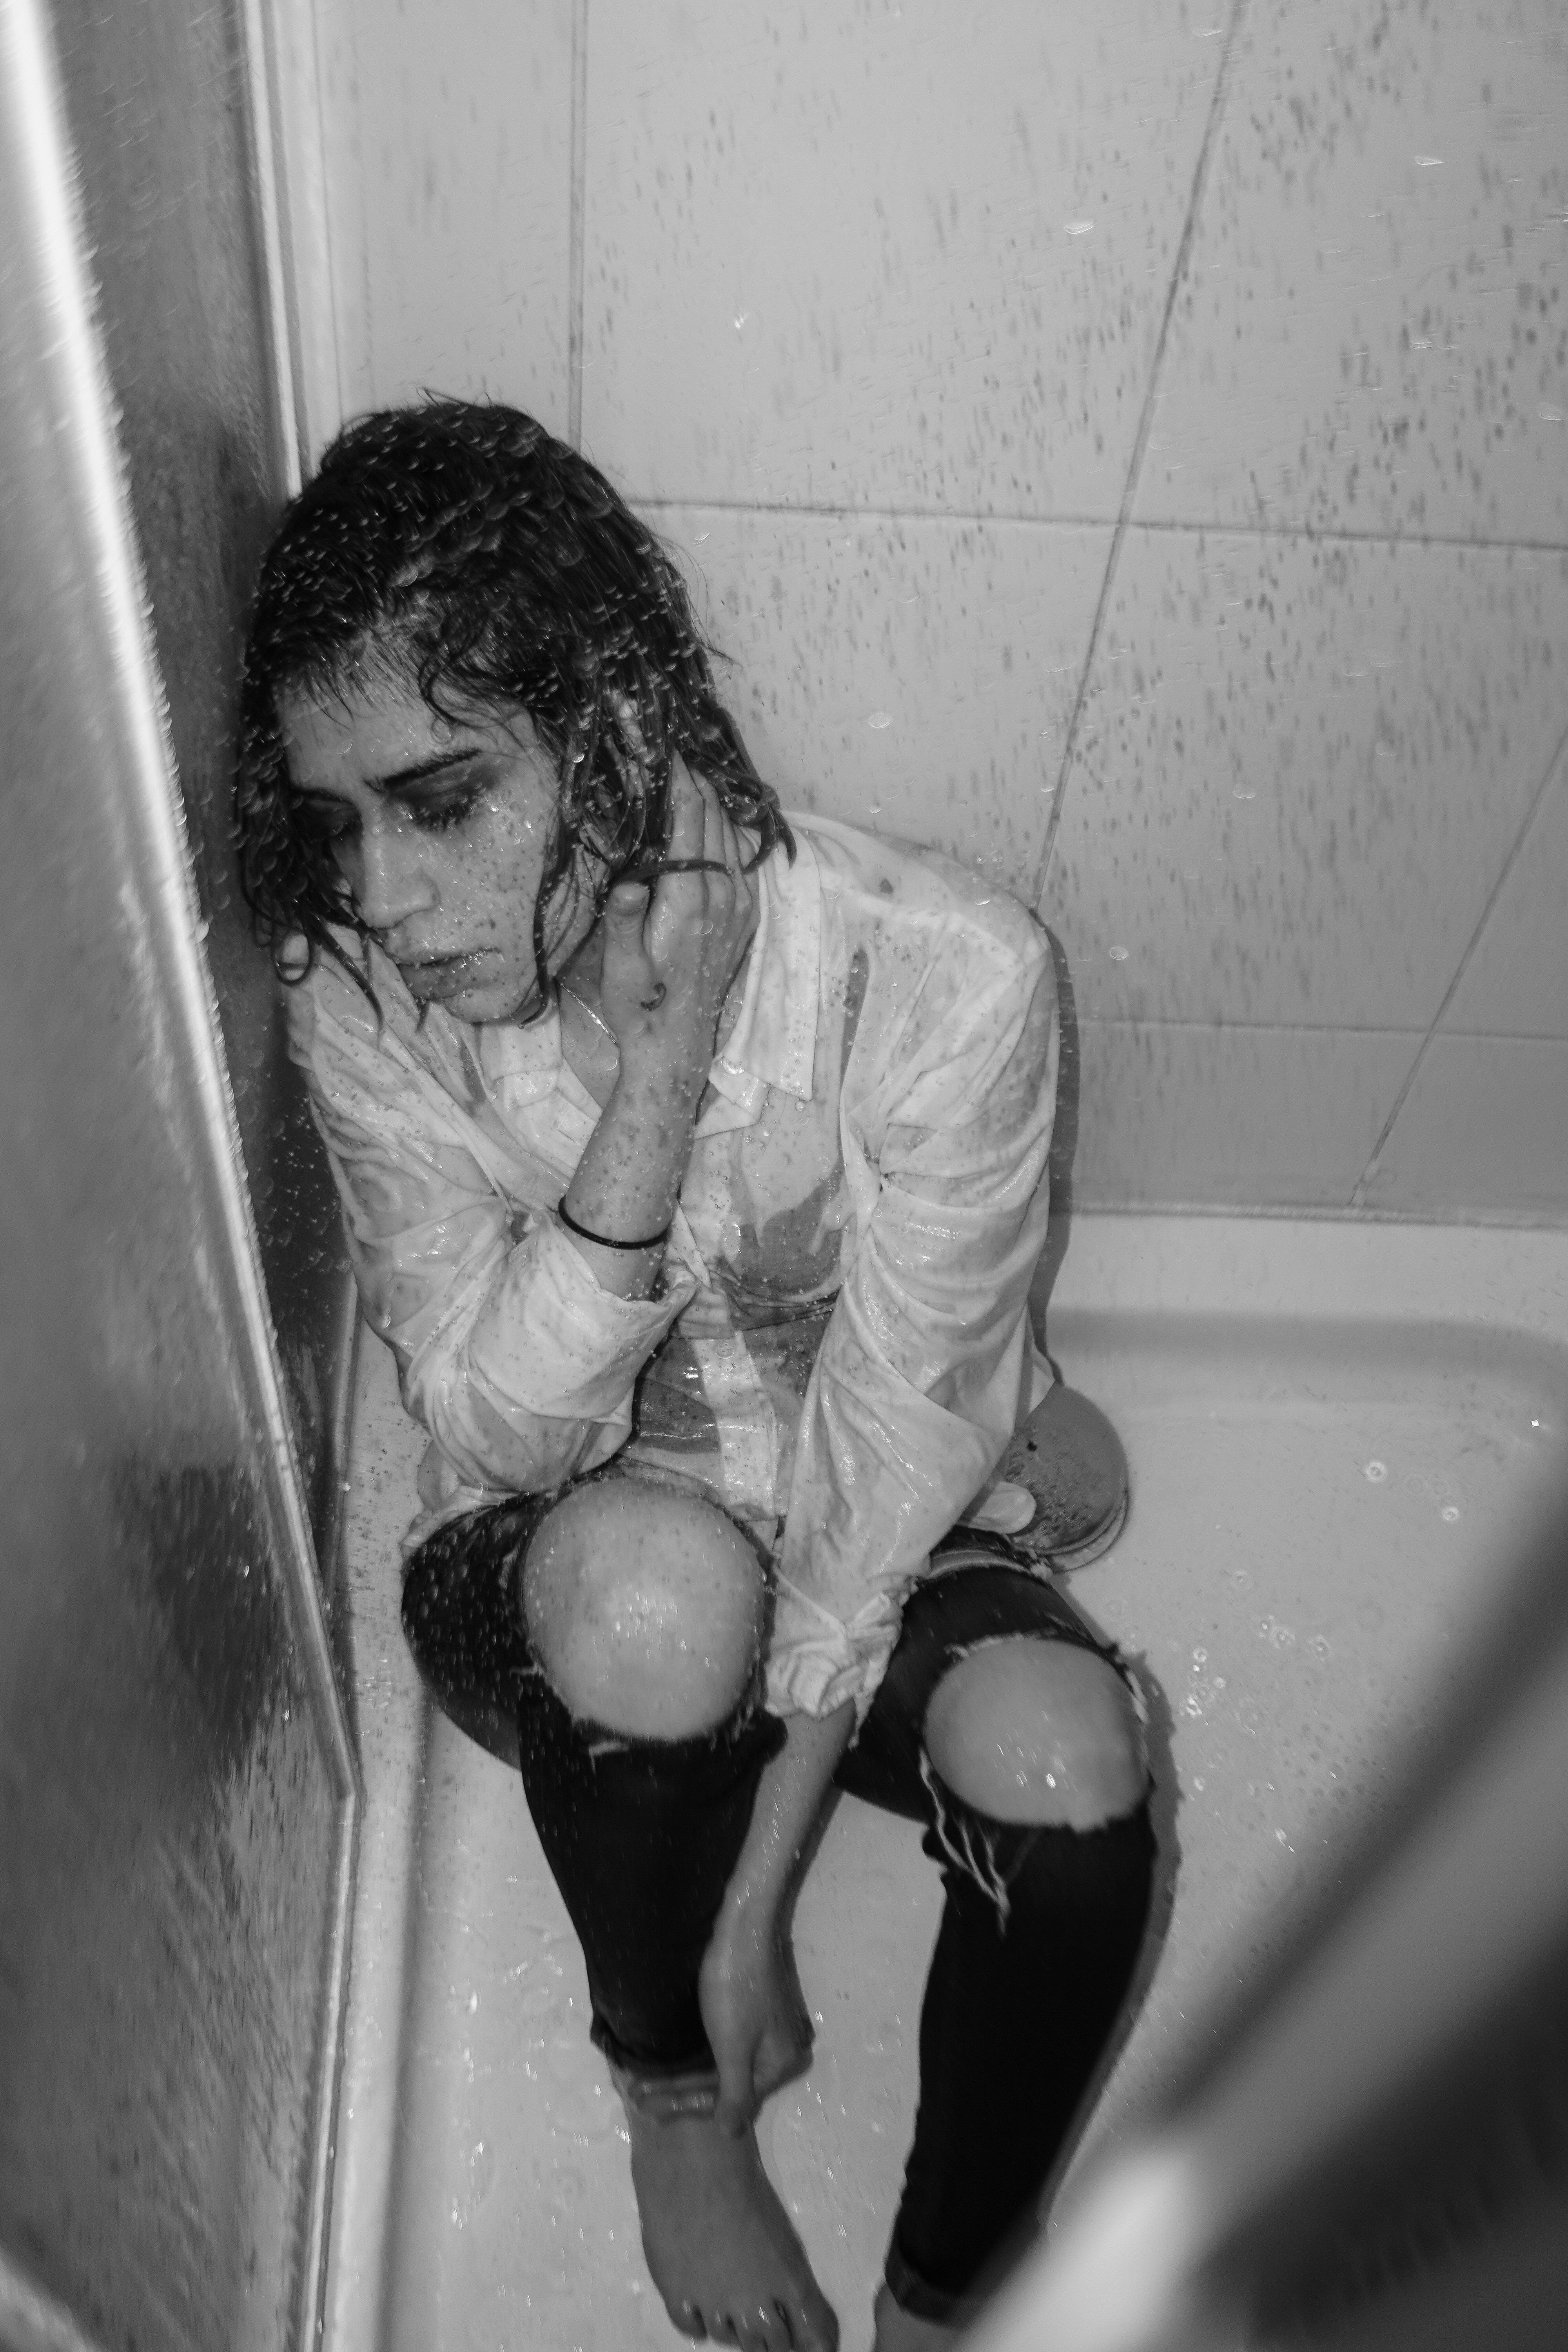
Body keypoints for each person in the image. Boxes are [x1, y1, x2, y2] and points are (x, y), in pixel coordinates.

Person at [237, 401, 1156, 2352]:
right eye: (338, 824)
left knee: (1072, 1770)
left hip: (843, 1543)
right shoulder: (365, 1002)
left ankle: (942, 2302)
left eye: (438, 801)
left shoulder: (941, 971)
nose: (379, 892)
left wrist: (755, 1914)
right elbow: (493, 1429)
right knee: (663, 1595)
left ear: (614, 722)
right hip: (574, 1584)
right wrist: (652, 1092)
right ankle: (668, 2104)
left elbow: (880, 1477)